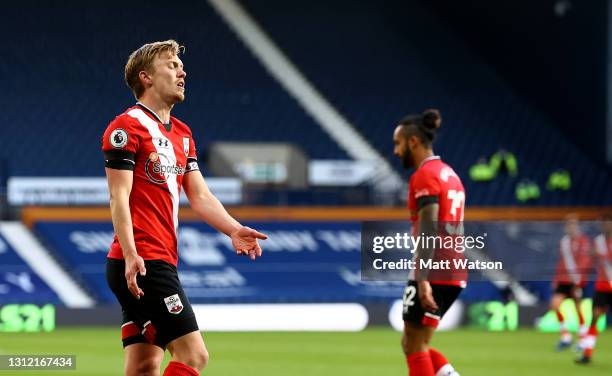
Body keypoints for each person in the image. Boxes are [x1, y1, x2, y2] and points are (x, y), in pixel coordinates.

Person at [102, 40, 267, 376]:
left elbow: (201, 196)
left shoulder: (183, 134)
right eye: (172, 64)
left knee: (144, 366)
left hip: (158, 259)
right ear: (146, 77)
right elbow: (118, 197)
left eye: (180, 65)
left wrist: (234, 229)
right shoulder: (126, 127)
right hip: (143, 261)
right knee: (193, 356)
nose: (182, 71)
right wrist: (133, 254)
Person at [393, 109, 465, 376]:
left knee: (414, 344)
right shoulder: (450, 174)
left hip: (435, 268)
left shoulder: (425, 175)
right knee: (415, 342)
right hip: (454, 267)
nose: (396, 151)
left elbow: (428, 226)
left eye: (398, 144)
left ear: (413, 142)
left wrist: (422, 279)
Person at [549, 214, 592, 351]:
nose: (570, 227)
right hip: (564, 280)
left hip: (577, 280)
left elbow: (585, 262)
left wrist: (579, 282)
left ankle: (583, 339)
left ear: (577, 225)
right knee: (555, 305)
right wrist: (556, 279)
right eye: (568, 224)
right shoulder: (564, 242)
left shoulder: (583, 241)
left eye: (573, 224)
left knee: (578, 308)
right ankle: (566, 336)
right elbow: (561, 263)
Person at [576, 213, 612, 364]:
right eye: (604, 223)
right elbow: (588, 261)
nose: (606, 226)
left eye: (609, 223)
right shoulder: (598, 242)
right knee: (595, 317)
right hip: (602, 286)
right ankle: (587, 354)